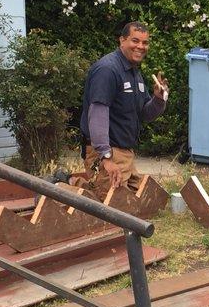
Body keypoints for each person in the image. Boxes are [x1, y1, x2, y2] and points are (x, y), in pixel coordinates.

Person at [72, 21, 169, 201]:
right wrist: (106, 157)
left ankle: (82, 185)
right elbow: (97, 114)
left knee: (147, 199)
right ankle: (62, 185)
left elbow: (145, 114)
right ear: (122, 41)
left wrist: (158, 99)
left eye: (145, 42)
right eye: (135, 41)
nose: (140, 46)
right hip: (105, 151)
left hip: (125, 155)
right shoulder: (107, 70)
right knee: (111, 205)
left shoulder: (134, 73)